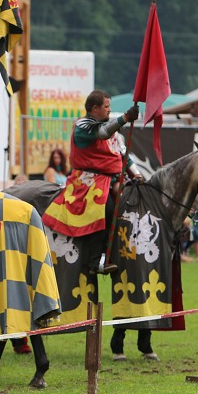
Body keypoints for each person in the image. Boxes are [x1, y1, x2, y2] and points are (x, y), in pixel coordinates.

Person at [41, 90, 142, 275]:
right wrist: (126, 117)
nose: (109, 111)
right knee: (106, 209)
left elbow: (124, 154)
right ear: (95, 108)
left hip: (111, 179)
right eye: (106, 107)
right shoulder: (83, 126)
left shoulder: (111, 129)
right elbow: (102, 133)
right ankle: (97, 260)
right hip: (87, 180)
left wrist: (136, 175)